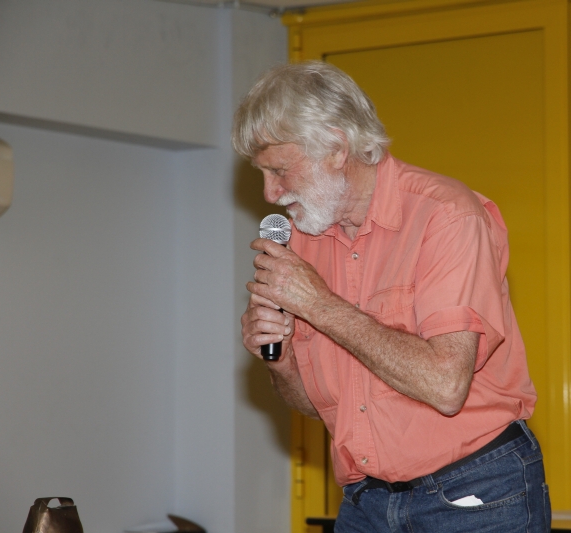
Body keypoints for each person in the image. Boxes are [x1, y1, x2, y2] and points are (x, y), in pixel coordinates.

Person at [233, 61, 550, 533]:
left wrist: (319, 304)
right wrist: (278, 359)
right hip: (367, 500)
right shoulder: (301, 241)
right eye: (262, 173)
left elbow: (445, 385)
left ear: (336, 148)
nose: (270, 192)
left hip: (474, 492)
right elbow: (312, 404)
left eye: (279, 170)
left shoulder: (447, 216)